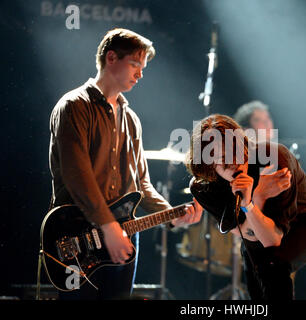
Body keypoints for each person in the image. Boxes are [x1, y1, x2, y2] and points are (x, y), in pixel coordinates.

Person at [48, 28, 203, 300]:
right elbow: (77, 176)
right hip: (77, 234)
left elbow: (141, 182)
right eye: (134, 64)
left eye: (142, 67)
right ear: (111, 58)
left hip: (124, 234)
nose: (140, 74)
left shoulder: (131, 119)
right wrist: (108, 227)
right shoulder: (73, 105)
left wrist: (171, 215)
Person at [185, 114, 306, 300]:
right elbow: (243, 231)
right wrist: (256, 197)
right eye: (222, 157)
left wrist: (249, 204)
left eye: (235, 151)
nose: (233, 163)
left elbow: (272, 239)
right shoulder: (203, 186)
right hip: (254, 224)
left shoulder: (274, 159)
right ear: (208, 165)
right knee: (255, 276)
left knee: (272, 264)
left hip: (305, 222)